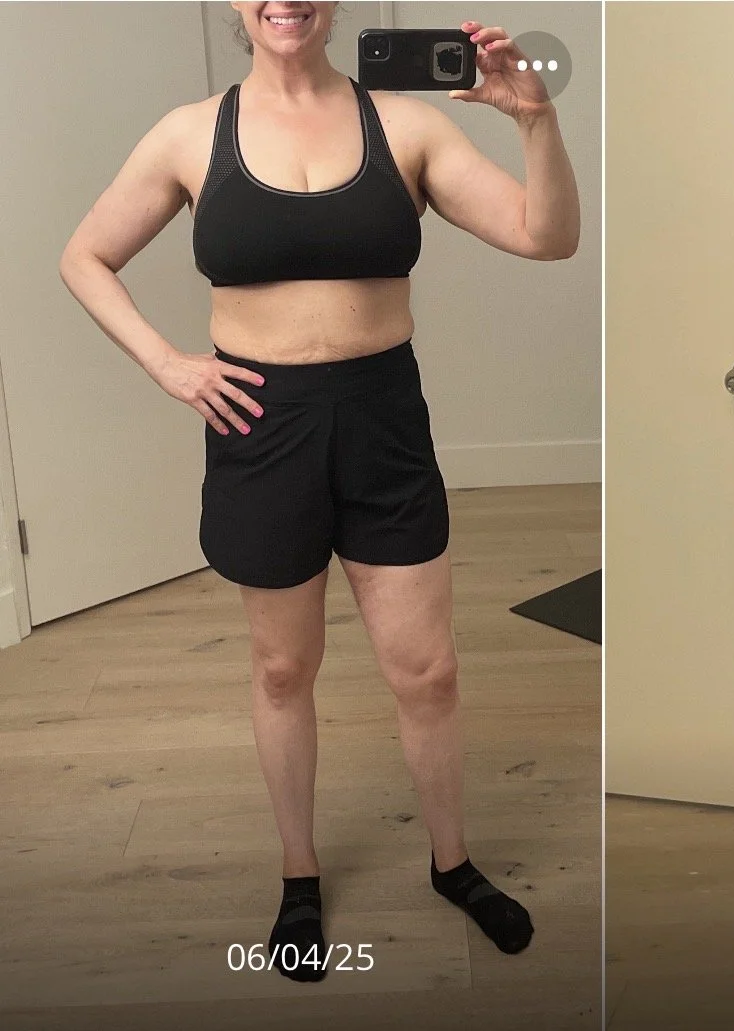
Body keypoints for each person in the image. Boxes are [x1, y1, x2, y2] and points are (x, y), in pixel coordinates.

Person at [59, 1, 579, 983]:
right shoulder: (187, 133)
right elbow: (84, 256)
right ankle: (299, 875)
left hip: (382, 418)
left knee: (428, 672)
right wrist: (171, 364)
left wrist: (535, 121)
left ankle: (452, 861)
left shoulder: (407, 123)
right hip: (262, 427)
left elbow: (546, 236)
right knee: (282, 670)